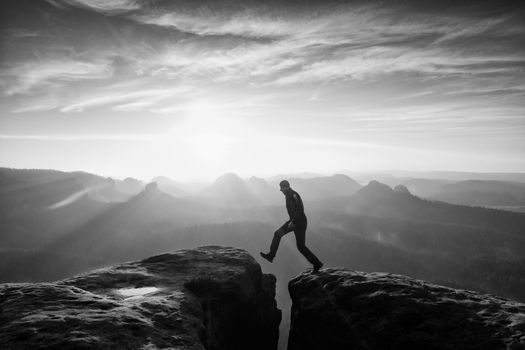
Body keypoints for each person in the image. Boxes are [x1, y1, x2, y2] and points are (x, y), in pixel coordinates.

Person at [260, 180, 324, 272]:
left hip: (299, 223)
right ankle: (271, 255)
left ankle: (317, 264)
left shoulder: (294, 195)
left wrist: (293, 222)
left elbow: (300, 209)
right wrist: (292, 221)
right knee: (278, 234)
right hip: (294, 221)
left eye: (282, 189)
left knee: (300, 247)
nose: (281, 191)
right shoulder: (288, 195)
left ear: (286, 187)